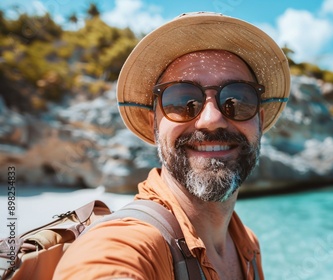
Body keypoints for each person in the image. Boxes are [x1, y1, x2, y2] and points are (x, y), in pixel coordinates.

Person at [54, 12, 290, 279]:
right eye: (182, 100)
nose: (211, 120)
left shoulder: (247, 244)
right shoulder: (124, 245)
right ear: (153, 123)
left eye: (237, 99)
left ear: (259, 121)